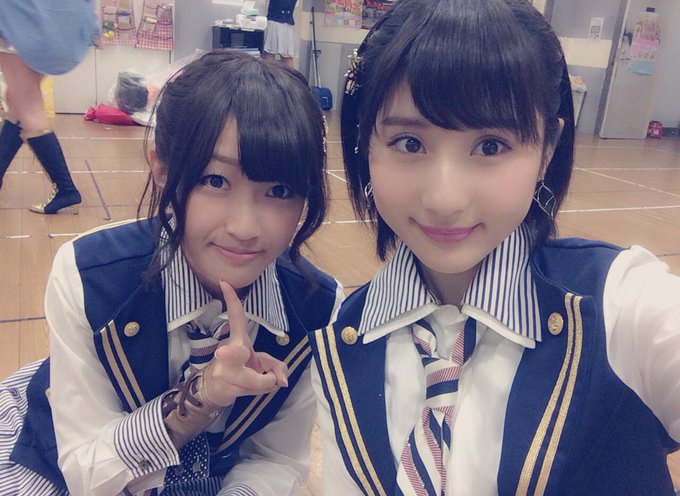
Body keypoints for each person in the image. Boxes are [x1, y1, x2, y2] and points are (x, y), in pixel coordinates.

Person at [309, 0, 680, 494]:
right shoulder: (342, 345)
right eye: (409, 143)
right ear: (365, 144)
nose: (444, 200)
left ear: (547, 150)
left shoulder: (620, 307)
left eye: (490, 146)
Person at [0, 49, 342, 495]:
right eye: (215, 181)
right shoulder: (89, 275)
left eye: (279, 190)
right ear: (161, 167)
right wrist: (203, 396)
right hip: (63, 460)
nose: (244, 228)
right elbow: (86, 471)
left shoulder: (316, 308)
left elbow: (276, 458)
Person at [0, 0, 99, 214]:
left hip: (18, 24)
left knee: (29, 109)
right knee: (17, 102)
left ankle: (65, 189)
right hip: (50, 26)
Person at [262, 0, 298, 68]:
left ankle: (286, 74)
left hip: (285, 23)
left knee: (286, 56)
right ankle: (268, 73)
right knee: (270, 54)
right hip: (275, 21)